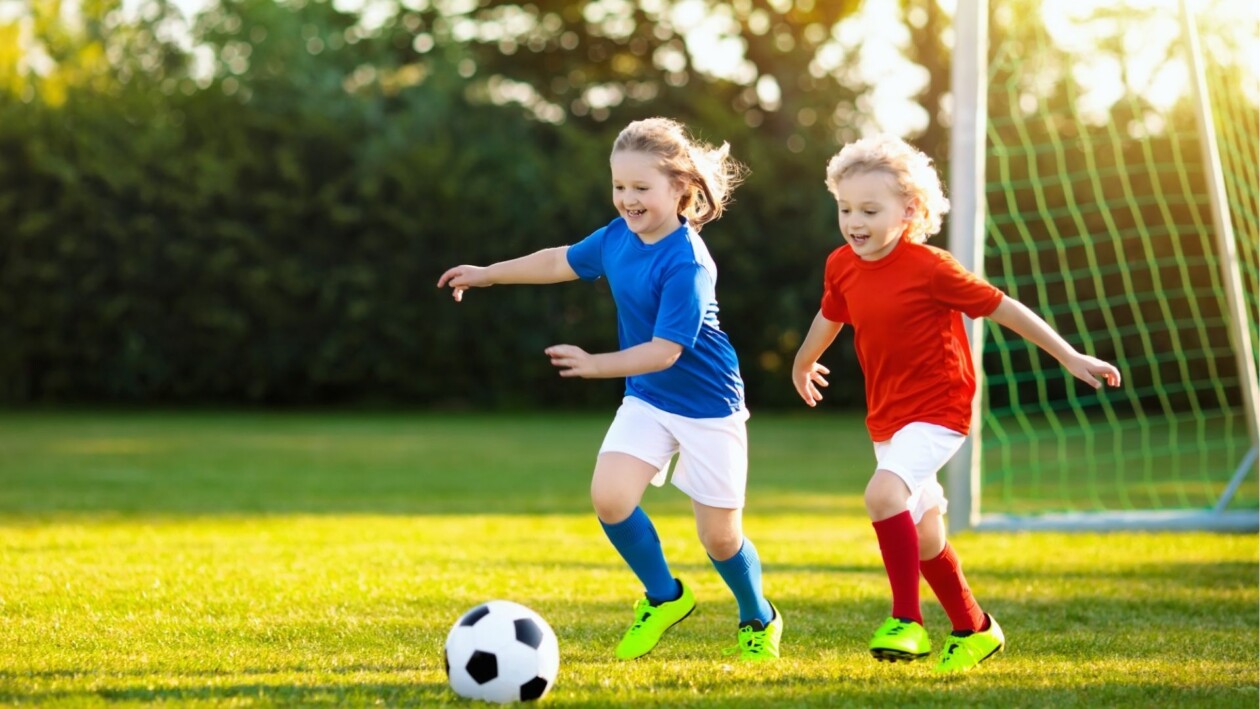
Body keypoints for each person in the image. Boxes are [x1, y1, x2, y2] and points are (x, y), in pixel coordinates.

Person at [437, 117, 782, 662]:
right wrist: (487, 273)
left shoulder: (687, 262)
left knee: (719, 539)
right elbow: (559, 260)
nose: (627, 199)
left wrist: (597, 365)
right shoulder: (618, 238)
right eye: (619, 186)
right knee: (611, 497)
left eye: (641, 188)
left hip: (707, 406)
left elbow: (667, 350)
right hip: (648, 397)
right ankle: (665, 596)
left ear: (681, 189)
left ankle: (757, 616)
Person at [791, 135, 1121, 673]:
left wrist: (1068, 355)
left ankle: (906, 622)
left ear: (910, 210)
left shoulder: (931, 267)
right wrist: (802, 362)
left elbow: (1003, 308)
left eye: (870, 210)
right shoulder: (842, 265)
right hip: (888, 417)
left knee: (883, 495)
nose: (855, 221)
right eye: (845, 208)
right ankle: (975, 628)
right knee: (923, 535)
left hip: (940, 409)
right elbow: (830, 315)